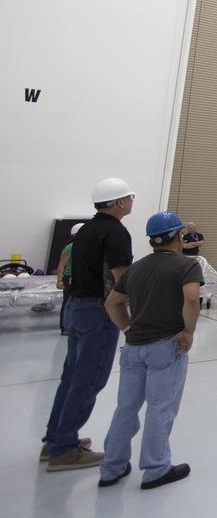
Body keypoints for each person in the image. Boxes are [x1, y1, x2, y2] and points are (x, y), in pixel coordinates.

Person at [99, 212, 201, 490]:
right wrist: (188, 332)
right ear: (179, 235)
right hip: (165, 348)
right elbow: (192, 298)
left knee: (126, 408)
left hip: (133, 348)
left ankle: (111, 467)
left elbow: (113, 303)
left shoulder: (135, 268)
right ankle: (156, 468)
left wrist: (128, 329)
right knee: (161, 408)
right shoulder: (186, 266)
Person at [41, 178, 135, 471]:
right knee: (89, 379)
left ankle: (55, 439)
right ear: (120, 202)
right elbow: (121, 278)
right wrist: (132, 316)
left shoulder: (86, 231)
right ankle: (63, 449)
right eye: (129, 197)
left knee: (71, 376)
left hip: (77, 308)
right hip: (98, 312)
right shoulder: (115, 233)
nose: (132, 201)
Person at [55, 223, 84, 336]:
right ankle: (65, 327)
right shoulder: (70, 248)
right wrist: (59, 280)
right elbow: (61, 265)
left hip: (81, 277)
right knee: (68, 302)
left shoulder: (88, 247)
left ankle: (76, 325)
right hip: (71, 277)